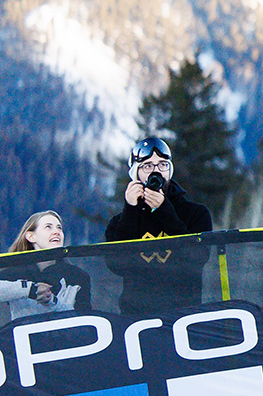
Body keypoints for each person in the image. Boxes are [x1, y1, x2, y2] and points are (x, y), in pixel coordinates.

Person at [105, 136, 213, 317]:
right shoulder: (119, 222)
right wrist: (130, 210)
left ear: (170, 170)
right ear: (136, 174)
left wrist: (164, 211)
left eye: (162, 165)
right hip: (135, 318)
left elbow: (197, 257)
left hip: (184, 315)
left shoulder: (196, 213)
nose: (156, 171)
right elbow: (116, 265)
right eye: (147, 166)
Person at [1, 211, 93, 322]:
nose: (57, 232)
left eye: (59, 228)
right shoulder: (15, 273)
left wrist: (52, 302)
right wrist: (30, 290)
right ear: (31, 236)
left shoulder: (78, 276)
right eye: (48, 227)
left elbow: (84, 321)